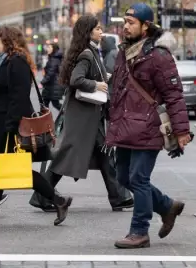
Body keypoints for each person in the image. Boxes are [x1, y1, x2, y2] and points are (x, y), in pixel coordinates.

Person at [0, 25, 70, 229]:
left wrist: (10, 128)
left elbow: (19, 98)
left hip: (8, 126)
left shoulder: (17, 62)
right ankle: (59, 201)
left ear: (8, 41)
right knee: (15, 171)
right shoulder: (3, 62)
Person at [106, 4, 190, 249]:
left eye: (131, 22)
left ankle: (139, 231)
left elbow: (174, 94)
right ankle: (166, 206)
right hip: (125, 126)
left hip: (148, 126)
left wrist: (182, 130)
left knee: (139, 178)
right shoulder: (125, 52)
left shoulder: (158, 56)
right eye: (125, 21)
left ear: (146, 26)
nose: (125, 26)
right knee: (123, 176)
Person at [33, 15, 133, 213]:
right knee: (66, 156)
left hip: (90, 117)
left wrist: (107, 77)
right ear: (88, 32)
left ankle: (118, 197)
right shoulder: (87, 54)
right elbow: (76, 79)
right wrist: (97, 84)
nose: (101, 32)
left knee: (105, 155)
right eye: (97, 29)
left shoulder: (91, 52)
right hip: (82, 118)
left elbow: (89, 75)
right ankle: (42, 197)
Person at [40, 42, 64, 110]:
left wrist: (42, 82)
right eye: (47, 47)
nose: (47, 49)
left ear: (54, 49)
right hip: (50, 86)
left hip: (53, 86)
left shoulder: (54, 59)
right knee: (45, 104)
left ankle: (65, 114)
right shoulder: (52, 58)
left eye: (49, 47)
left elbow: (50, 73)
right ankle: (44, 119)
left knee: (54, 104)